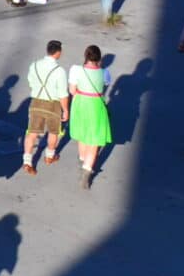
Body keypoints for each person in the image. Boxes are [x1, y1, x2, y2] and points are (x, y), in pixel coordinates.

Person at [21, 40, 73, 173]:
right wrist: (65, 110)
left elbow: (30, 81)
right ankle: (49, 156)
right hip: (53, 104)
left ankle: (27, 161)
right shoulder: (59, 71)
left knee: (32, 133)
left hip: (36, 101)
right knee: (53, 132)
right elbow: (62, 93)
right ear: (58, 52)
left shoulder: (34, 65)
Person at [68, 44, 115, 189]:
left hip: (81, 103)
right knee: (94, 140)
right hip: (96, 104)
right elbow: (104, 87)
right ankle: (86, 172)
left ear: (85, 56)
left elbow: (72, 90)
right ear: (99, 58)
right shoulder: (105, 72)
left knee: (83, 135)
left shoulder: (76, 70)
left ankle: (82, 161)